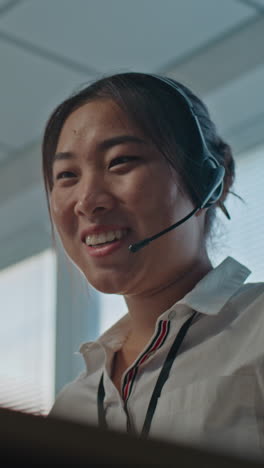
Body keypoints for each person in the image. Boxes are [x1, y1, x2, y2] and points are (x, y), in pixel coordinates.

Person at [42, 72, 264, 458]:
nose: (87, 200)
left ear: (213, 178)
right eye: (67, 176)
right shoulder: (70, 406)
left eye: (120, 161)